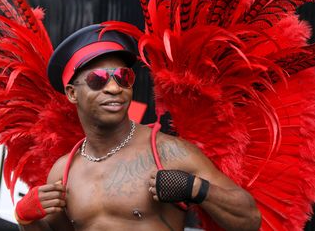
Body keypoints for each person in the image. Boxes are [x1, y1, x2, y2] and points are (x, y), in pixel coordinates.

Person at [14, 24, 261, 231]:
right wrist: (26, 218)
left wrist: (196, 188)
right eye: (97, 79)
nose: (114, 88)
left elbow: (249, 220)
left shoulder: (168, 152)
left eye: (123, 77)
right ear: (71, 93)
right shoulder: (64, 171)